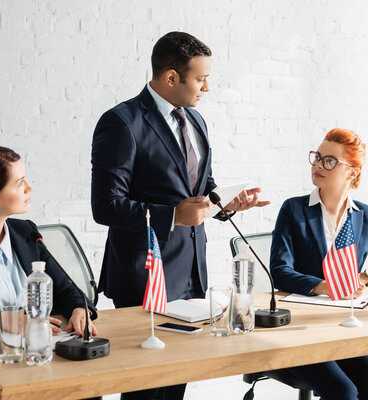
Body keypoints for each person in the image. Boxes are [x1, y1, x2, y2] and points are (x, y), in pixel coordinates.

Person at [91, 32, 267, 399]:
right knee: (145, 388)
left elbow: (200, 189)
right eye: (201, 78)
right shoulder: (121, 122)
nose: (207, 87)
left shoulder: (197, 121)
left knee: (176, 382)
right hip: (145, 275)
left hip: (190, 273)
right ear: (171, 77)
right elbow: (105, 205)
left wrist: (226, 203)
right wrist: (171, 215)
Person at [270, 128, 368, 400]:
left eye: (330, 161)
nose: (319, 165)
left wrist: (367, 277)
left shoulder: (367, 216)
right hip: (301, 329)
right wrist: (322, 286)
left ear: (352, 172)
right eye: (317, 157)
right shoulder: (293, 210)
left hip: (345, 326)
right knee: (343, 392)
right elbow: (279, 272)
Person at [0, 146, 97, 342]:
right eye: (20, 183)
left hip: (33, 350)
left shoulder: (26, 232)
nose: (30, 188)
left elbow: (67, 289)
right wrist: (9, 323)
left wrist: (80, 310)